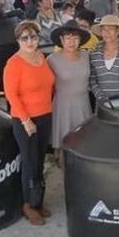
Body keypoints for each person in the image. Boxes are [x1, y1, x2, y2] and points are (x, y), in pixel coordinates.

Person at [4, 21, 56, 226]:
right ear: (18, 40)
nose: (30, 41)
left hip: (45, 115)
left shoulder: (41, 57)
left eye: (33, 36)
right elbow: (11, 95)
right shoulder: (14, 63)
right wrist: (26, 120)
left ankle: (38, 200)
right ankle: (28, 204)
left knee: (40, 159)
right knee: (29, 161)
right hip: (25, 119)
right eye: (25, 37)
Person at [47, 21, 92, 160]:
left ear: (80, 40)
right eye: (67, 38)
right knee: (62, 142)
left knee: (84, 141)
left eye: (75, 38)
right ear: (61, 40)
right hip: (63, 105)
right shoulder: (52, 59)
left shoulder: (86, 55)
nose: (71, 42)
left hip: (83, 103)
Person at [88, 14, 119, 104]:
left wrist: (118, 98)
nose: (107, 33)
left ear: (117, 31)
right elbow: (92, 79)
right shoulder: (94, 51)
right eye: (104, 29)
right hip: (102, 104)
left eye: (110, 29)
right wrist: (101, 97)